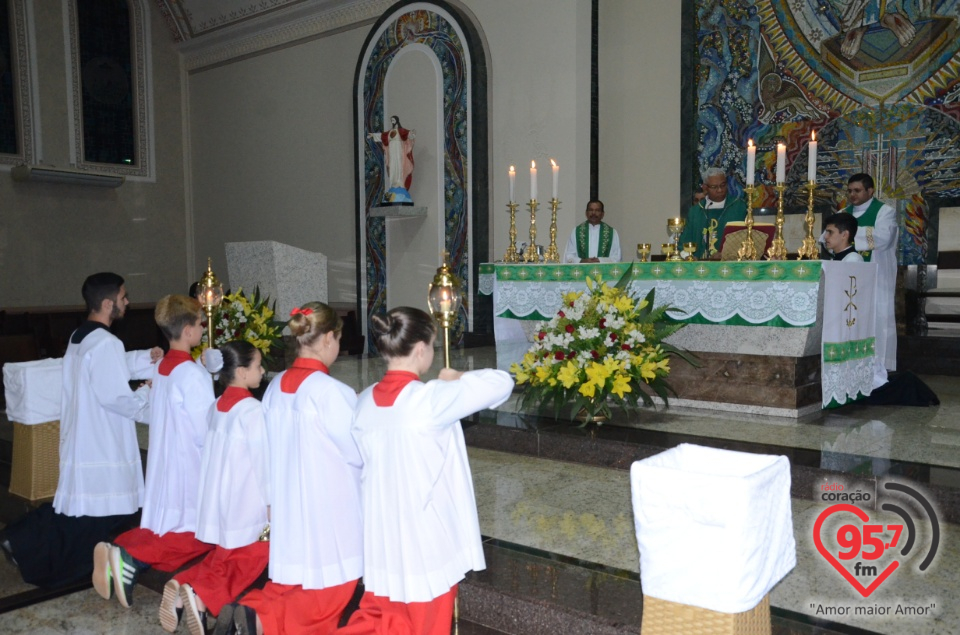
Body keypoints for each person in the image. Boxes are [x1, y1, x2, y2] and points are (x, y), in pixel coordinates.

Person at [338, 307, 514, 635]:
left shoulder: (362, 402)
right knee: (426, 622)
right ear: (420, 349)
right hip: (426, 537)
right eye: (432, 346)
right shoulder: (430, 400)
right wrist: (456, 378)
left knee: (382, 621)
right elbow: (501, 383)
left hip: (382, 536)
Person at [1, 273, 160, 588]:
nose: (127, 302)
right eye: (123, 297)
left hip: (84, 438)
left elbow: (111, 366)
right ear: (106, 303)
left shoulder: (81, 336)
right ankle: (35, 551)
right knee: (94, 516)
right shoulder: (105, 342)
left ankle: (22, 541)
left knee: (81, 512)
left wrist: (146, 358)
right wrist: (146, 393)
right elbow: (116, 398)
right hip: (102, 442)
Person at [218, 302, 363, 635]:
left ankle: (250, 611)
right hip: (329, 512)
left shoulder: (275, 386)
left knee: (289, 583)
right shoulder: (331, 392)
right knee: (328, 594)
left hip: (288, 506)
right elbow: (357, 452)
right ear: (328, 338)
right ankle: (262, 621)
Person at [94, 295, 217, 608]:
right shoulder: (191, 375)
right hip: (188, 464)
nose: (203, 328)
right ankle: (130, 556)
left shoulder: (162, 366)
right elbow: (205, 430)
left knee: (164, 526)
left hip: (164, 464)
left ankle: (118, 547)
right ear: (188, 330)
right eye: (200, 323)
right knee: (197, 534)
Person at [160, 340, 270, 635]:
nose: (263, 371)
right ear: (243, 372)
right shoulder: (252, 411)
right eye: (258, 366)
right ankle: (199, 596)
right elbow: (264, 464)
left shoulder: (216, 406)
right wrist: (272, 505)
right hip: (245, 503)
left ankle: (184, 583)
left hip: (219, 502)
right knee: (252, 558)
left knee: (224, 558)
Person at [843, 173, 898, 380]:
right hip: (848, 279)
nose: (852, 195)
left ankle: (880, 367)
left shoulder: (885, 212)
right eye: (849, 191)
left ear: (870, 191)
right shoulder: (843, 213)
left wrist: (846, 235)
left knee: (878, 319)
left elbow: (882, 238)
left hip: (877, 278)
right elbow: (827, 238)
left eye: (857, 190)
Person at [681, 168, 748, 259]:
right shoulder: (696, 211)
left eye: (723, 185)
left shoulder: (739, 207)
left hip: (730, 267)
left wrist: (727, 254)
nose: (720, 190)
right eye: (714, 187)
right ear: (705, 188)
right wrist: (689, 257)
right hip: (700, 268)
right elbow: (684, 243)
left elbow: (748, 240)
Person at [369, 115, 416, 203]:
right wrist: (373, 135)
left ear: (397, 120)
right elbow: (382, 136)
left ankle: (399, 184)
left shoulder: (400, 131)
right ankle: (393, 185)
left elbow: (408, 134)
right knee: (392, 166)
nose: (393, 121)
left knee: (399, 166)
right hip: (392, 152)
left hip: (398, 150)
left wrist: (412, 133)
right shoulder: (389, 132)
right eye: (392, 120)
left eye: (393, 120)